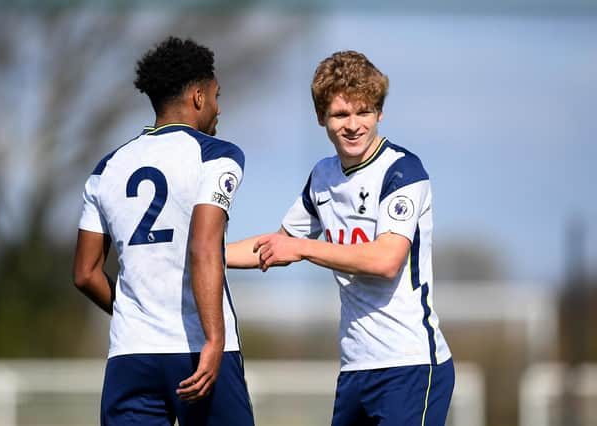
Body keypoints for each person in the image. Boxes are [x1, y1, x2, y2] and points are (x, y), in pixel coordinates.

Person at [227, 50, 454, 425]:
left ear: (379, 112)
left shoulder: (402, 171)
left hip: (410, 367)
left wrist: (301, 247)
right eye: (340, 114)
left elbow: (386, 259)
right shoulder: (323, 176)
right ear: (321, 118)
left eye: (364, 112)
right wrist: (203, 256)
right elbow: (278, 244)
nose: (353, 124)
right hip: (355, 369)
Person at [73, 36, 254, 426]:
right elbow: (204, 247)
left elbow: (85, 273)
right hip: (195, 350)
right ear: (199, 97)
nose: (219, 108)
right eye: (217, 96)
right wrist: (214, 340)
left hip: (130, 355)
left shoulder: (106, 168)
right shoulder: (216, 155)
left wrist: (132, 310)